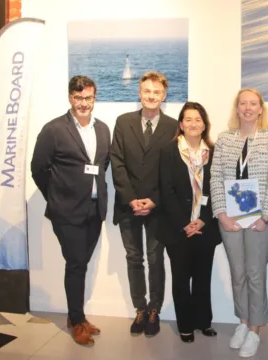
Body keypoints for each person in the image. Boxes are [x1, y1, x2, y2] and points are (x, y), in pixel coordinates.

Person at [30, 75, 111, 346]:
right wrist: (56, 196)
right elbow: (38, 168)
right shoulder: (54, 129)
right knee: (76, 263)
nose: (83, 103)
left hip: (94, 209)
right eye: (78, 98)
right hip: (66, 212)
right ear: (69, 98)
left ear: (94, 98)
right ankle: (76, 320)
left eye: (88, 97)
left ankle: (77, 316)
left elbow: (102, 166)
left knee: (81, 264)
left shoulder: (102, 129)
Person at [210, 88, 268, 358]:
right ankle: (242, 322)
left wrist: (265, 217)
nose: (248, 108)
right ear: (237, 108)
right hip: (230, 216)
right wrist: (221, 214)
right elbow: (216, 177)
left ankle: (255, 329)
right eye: (243, 103)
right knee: (237, 272)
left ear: (261, 108)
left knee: (255, 273)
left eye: (253, 103)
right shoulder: (225, 138)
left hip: (260, 219)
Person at [110, 71, 178, 337]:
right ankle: (140, 308)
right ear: (140, 93)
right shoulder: (123, 122)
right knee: (133, 258)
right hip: (128, 205)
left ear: (164, 95)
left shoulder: (174, 126)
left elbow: (173, 170)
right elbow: (117, 162)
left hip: (157, 207)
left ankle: (154, 310)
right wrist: (131, 199)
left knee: (155, 258)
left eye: (157, 92)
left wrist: (154, 200)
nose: (151, 96)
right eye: (147, 91)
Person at [157, 102, 221, 343]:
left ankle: (203, 321)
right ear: (181, 124)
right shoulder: (168, 151)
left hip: (206, 228)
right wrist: (185, 222)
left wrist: (203, 220)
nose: (193, 123)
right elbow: (166, 190)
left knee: (203, 278)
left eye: (198, 119)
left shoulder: (214, 152)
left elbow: (218, 189)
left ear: (204, 124)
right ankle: (185, 325)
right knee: (182, 279)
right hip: (177, 229)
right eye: (188, 119)